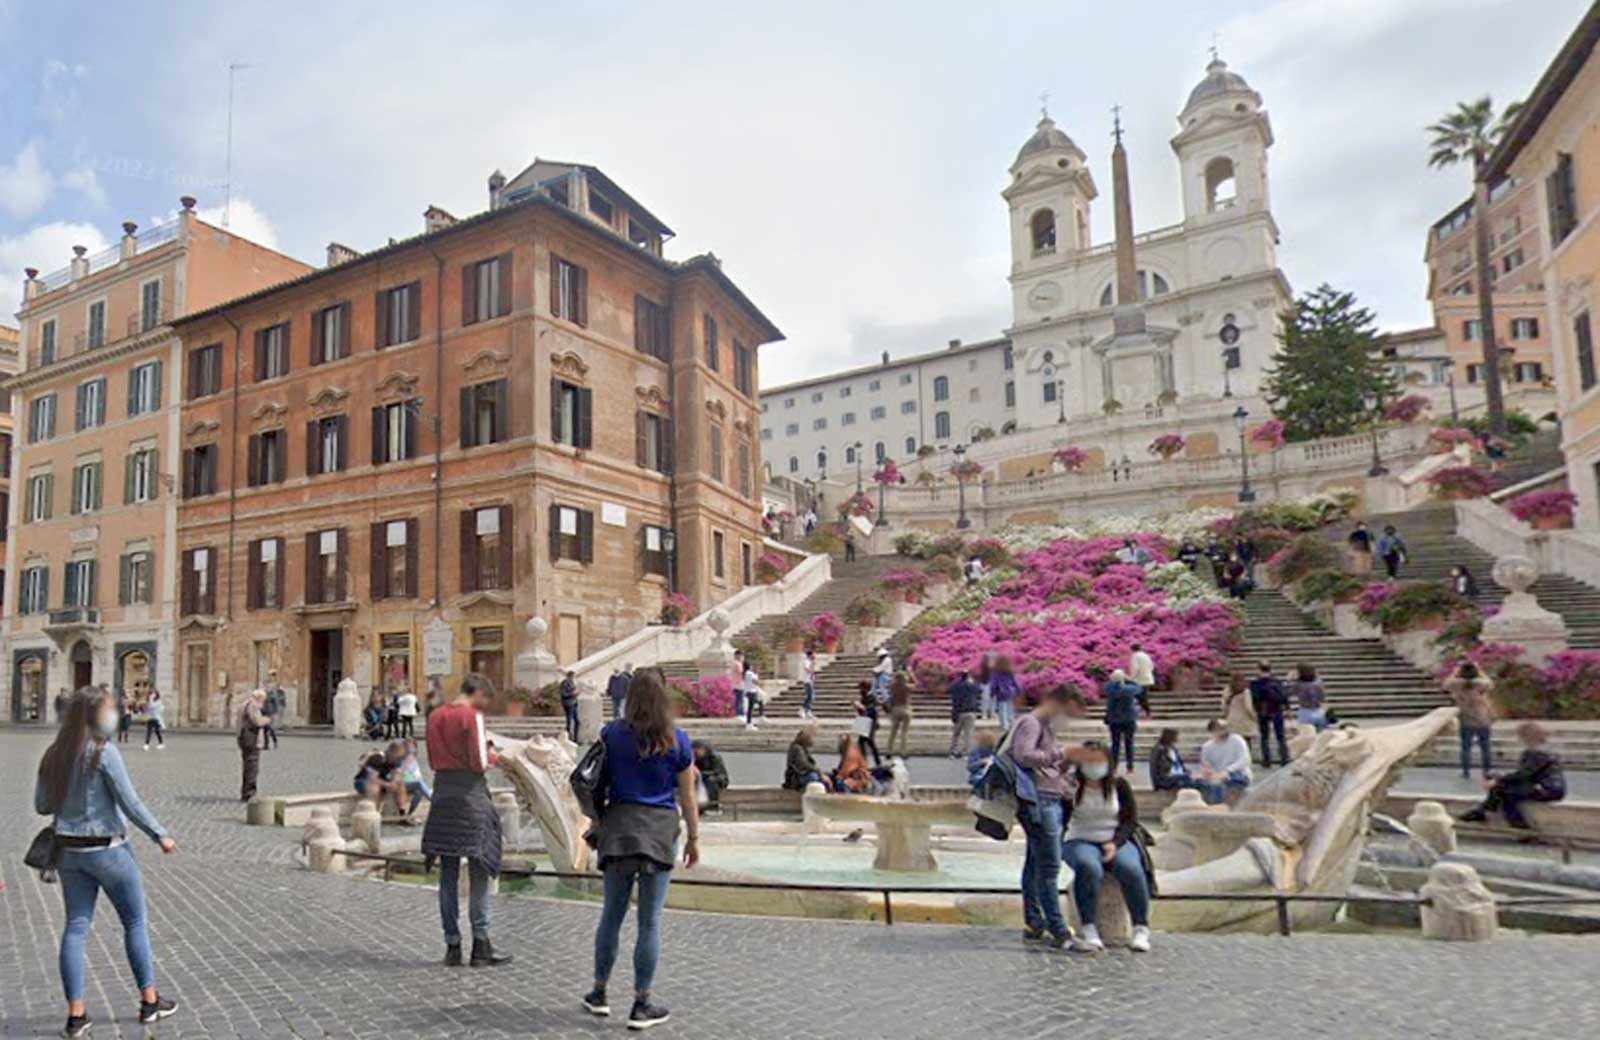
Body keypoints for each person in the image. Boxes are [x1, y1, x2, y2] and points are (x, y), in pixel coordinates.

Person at [35, 687, 181, 1037]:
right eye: (109, 711)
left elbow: (41, 806)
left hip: (70, 854)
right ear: (94, 716)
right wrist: (160, 834)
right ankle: (149, 1001)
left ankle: (76, 1015)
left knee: (75, 927)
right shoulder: (103, 752)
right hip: (109, 851)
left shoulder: (54, 753)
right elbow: (130, 802)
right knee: (134, 922)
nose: (113, 716)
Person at [583, 669, 698, 1029]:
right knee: (649, 921)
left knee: (611, 915)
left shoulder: (612, 734)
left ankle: (599, 994)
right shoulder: (676, 740)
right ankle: (641, 1004)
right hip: (661, 831)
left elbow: (596, 781)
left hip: (618, 828)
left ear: (630, 697)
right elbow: (689, 796)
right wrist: (694, 838)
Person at [422, 672, 512, 969]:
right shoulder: (471, 716)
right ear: (479, 695)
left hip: (442, 795)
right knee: (480, 868)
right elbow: (478, 762)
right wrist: (493, 755)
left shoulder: (434, 716)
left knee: (447, 874)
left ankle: (452, 945)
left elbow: (433, 757)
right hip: (470, 796)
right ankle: (481, 944)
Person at [1009, 683, 1088, 946]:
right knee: (1049, 866)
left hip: (1048, 799)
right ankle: (1059, 931)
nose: (1069, 720)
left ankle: (1034, 921)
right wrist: (1060, 753)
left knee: (1035, 864)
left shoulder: (1043, 726)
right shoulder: (1031, 723)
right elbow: (1023, 755)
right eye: (1070, 713)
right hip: (1041, 802)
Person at [1061, 741, 1155, 953]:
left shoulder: (1119, 785)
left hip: (1116, 839)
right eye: (1089, 761)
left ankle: (1141, 927)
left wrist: (1115, 843)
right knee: (1088, 866)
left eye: (1099, 761)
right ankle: (1089, 927)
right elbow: (1062, 819)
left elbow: (1130, 820)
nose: (1094, 766)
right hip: (1079, 839)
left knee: (1130, 868)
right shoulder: (1071, 785)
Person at [1459, 722, 1566, 829]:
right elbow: (1525, 774)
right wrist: (1499, 779)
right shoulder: (1544, 749)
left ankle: (1517, 825)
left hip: (1546, 789)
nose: (1519, 739)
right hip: (1551, 788)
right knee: (1501, 789)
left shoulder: (1536, 752)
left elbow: (1524, 775)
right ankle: (1484, 812)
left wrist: (1498, 780)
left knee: (1503, 792)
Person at [1443, 661, 1495, 778]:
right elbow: (1491, 684)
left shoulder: (1457, 684)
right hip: (1482, 719)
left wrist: (1455, 672)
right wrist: (1480, 671)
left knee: (1465, 747)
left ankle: (1465, 771)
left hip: (1465, 719)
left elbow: (1445, 684)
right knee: (1485, 746)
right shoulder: (1480, 683)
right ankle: (1487, 770)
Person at [1100, 669, 1148, 775]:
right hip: (1128, 719)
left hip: (1114, 719)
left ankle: (1113, 767)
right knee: (1129, 744)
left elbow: (1106, 685)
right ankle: (1130, 767)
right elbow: (1139, 688)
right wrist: (1128, 679)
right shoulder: (1129, 690)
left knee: (1115, 744)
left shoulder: (1109, 689)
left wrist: (1114, 679)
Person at [1196, 719, 1253, 805]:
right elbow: (1205, 764)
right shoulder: (1207, 747)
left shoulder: (1237, 740)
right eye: (1220, 728)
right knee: (1203, 782)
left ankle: (1219, 806)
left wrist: (1227, 771)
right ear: (1212, 731)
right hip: (1217, 774)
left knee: (1222, 783)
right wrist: (1207, 771)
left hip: (1238, 773)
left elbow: (1245, 760)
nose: (1225, 730)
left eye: (1225, 728)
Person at [1249, 661, 1290, 767]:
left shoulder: (1255, 683)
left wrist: (1256, 710)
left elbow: (1255, 698)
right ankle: (1284, 757)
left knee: (1264, 736)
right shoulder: (1276, 682)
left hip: (1263, 710)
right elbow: (1284, 696)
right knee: (1280, 736)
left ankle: (1266, 760)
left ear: (1259, 670)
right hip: (1277, 710)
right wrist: (1287, 708)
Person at [238, 689, 270, 802]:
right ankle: (249, 793)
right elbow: (257, 721)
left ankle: (246, 791)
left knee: (248, 765)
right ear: (259, 698)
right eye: (263, 699)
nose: (263, 702)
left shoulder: (244, 704)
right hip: (252, 740)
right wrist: (267, 720)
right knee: (252, 767)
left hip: (244, 738)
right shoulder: (253, 705)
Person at [947, 668, 982, 758]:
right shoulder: (972, 686)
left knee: (956, 733)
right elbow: (979, 690)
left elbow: (950, 689)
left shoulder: (957, 685)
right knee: (968, 734)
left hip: (959, 711)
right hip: (971, 711)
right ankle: (966, 752)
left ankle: (952, 751)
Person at [1221, 671, 1257, 756]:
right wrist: (1254, 716)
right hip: (1244, 721)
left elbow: (1223, 706)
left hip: (1232, 720)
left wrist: (1226, 715)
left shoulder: (1227, 690)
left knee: (1234, 743)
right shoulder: (1245, 691)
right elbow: (1248, 707)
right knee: (1246, 743)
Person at [399, 738, 432, 819]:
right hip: (402, 784)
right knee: (419, 783)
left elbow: (416, 774)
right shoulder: (400, 758)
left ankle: (409, 813)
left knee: (419, 792)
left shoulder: (414, 759)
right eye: (408, 746)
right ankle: (434, 801)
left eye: (412, 746)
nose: (410, 749)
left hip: (412, 783)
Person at [691, 740, 729, 812]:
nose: (695, 752)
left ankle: (713, 806)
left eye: (697, 750)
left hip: (719, 778)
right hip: (702, 778)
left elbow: (717, 772)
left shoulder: (714, 757)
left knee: (711, 781)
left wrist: (700, 774)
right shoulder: (694, 758)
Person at [1288, 663, 1327, 733]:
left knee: (1307, 738)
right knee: (1320, 737)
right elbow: (1322, 697)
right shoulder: (1318, 683)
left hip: (1305, 712)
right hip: (1319, 711)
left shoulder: (1299, 684)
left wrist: (1289, 680)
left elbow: (1288, 692)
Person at [852, 680, 882, 766]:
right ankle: (865, 762)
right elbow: (862, 711)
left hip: (870, 722)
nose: (860, 690)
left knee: (869, 742)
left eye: (861, 688)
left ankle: (876, 762)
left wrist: (862, 707)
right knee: (862, 742)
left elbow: (871, 710)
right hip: (863, 722)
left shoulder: (872, 697)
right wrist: (857, 707)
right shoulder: (863, 697)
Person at [782, 726, 823, 791]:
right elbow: (803, 764)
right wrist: (818, 771)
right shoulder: (797, 748)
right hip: (796, 777)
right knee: (813, 777)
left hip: (800, 775)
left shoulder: (802, 748)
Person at [989, 655, 1022, 731]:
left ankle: (1004, 726)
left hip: (1001, 692)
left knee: (1002, 709)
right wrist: (1018, 691)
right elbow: (1015, 682)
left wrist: (992, 693)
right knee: (1010, 708)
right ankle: (1012, 723)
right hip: (1010, 691)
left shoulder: (996, 672)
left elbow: (994, 683)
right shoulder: (1009, 671)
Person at [887, 671, 915, 756]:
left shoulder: (892, 686)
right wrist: (911, 674)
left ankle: (889, 751)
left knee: (893, 732)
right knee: (904, 732)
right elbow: (916, 684)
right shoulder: (906, 687)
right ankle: (903, 752)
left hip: (895, 708)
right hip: (905, 708)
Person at [261, 670, 284, 749]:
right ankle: (266, 745)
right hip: (264, 711)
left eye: (266, 685)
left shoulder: (272, 692)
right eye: (265, 685)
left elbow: (276, 701)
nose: (266, 686)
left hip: (270, 712)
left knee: (270, 728)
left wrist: (276, 712)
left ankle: (274, 741)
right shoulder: (263, 692)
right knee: (265, 729)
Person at [559, 670, 581, 742]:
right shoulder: (564, 683)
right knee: (569, 721)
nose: (573, 678)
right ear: (569, 676)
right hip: (568, 704)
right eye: (572, 676)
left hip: (574, 703)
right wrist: (573, 694)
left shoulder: (571, 683)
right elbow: (563, 694)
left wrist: (576, 693)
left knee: (577, 721)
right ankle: (569, 738)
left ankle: (575, 738)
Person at [800, 650, 817, 720]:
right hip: (807, 681)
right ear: (810, 655)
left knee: (811, 696)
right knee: (810, 696)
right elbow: (806, 668)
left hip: (809, 681)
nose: (814, 656)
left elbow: (811, 669)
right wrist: (811, 673)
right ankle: (803, 709)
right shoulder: (806, 661)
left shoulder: (810, 662)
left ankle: (807, 710)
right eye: (813, 655)